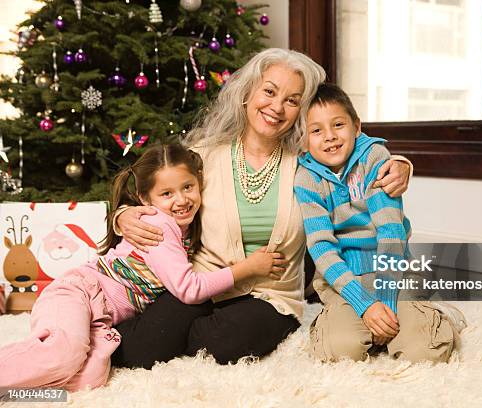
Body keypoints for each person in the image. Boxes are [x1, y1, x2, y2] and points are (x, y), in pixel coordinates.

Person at [111, 48, 413, 367]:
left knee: (221, 344)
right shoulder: (203, 156)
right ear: (247, 93)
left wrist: (400, 163)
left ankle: (177, 340)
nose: (276, 107)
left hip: (271, 297)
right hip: (204, 284)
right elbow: (157, 188)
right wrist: (123, 215)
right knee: (140, 352)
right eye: (269, 91)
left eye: (292, 100)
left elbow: (352, 146)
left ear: (300, 111)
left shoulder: (309, 165)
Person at [0, 144, 282, 392]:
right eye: (167, 193)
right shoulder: (160, 225)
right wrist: (248, 268)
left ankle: (17, 389)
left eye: (188, 187)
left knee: (91, 376)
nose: (181, 199)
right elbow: (188, 289)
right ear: (146, 200)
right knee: (65, 353)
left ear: (199, 183)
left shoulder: (183, 228)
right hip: (79, 293)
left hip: (102, 319)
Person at [294, 82, 466, 363]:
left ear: (356, 127)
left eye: (338, 125)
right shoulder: (306, 179)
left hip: (394, 273)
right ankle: (360, 327)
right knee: (338, 351)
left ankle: (439, 316)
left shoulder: (375, 159)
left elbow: (391, 230)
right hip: (345, 282)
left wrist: (385, 301)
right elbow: (321, 247)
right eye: (316, 130)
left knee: (423, 353)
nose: (330, 137)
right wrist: (365, 305)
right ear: (304, 140)